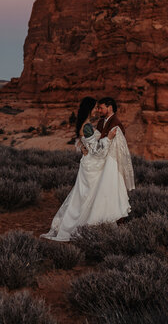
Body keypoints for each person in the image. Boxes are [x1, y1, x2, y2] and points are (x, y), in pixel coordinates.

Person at [41, 96, 135, 242]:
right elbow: (97, 150)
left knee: (85, 196)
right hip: (92, 165)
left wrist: (84, 146)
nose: (97, 110)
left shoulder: (86, 125)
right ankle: (88, 224)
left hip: (89, 163)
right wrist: (109, 138)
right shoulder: (87, 127)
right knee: (90, 196)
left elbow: (82, 142)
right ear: (89, 109)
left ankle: (88, 223)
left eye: (99, 107)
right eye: (95, 108)